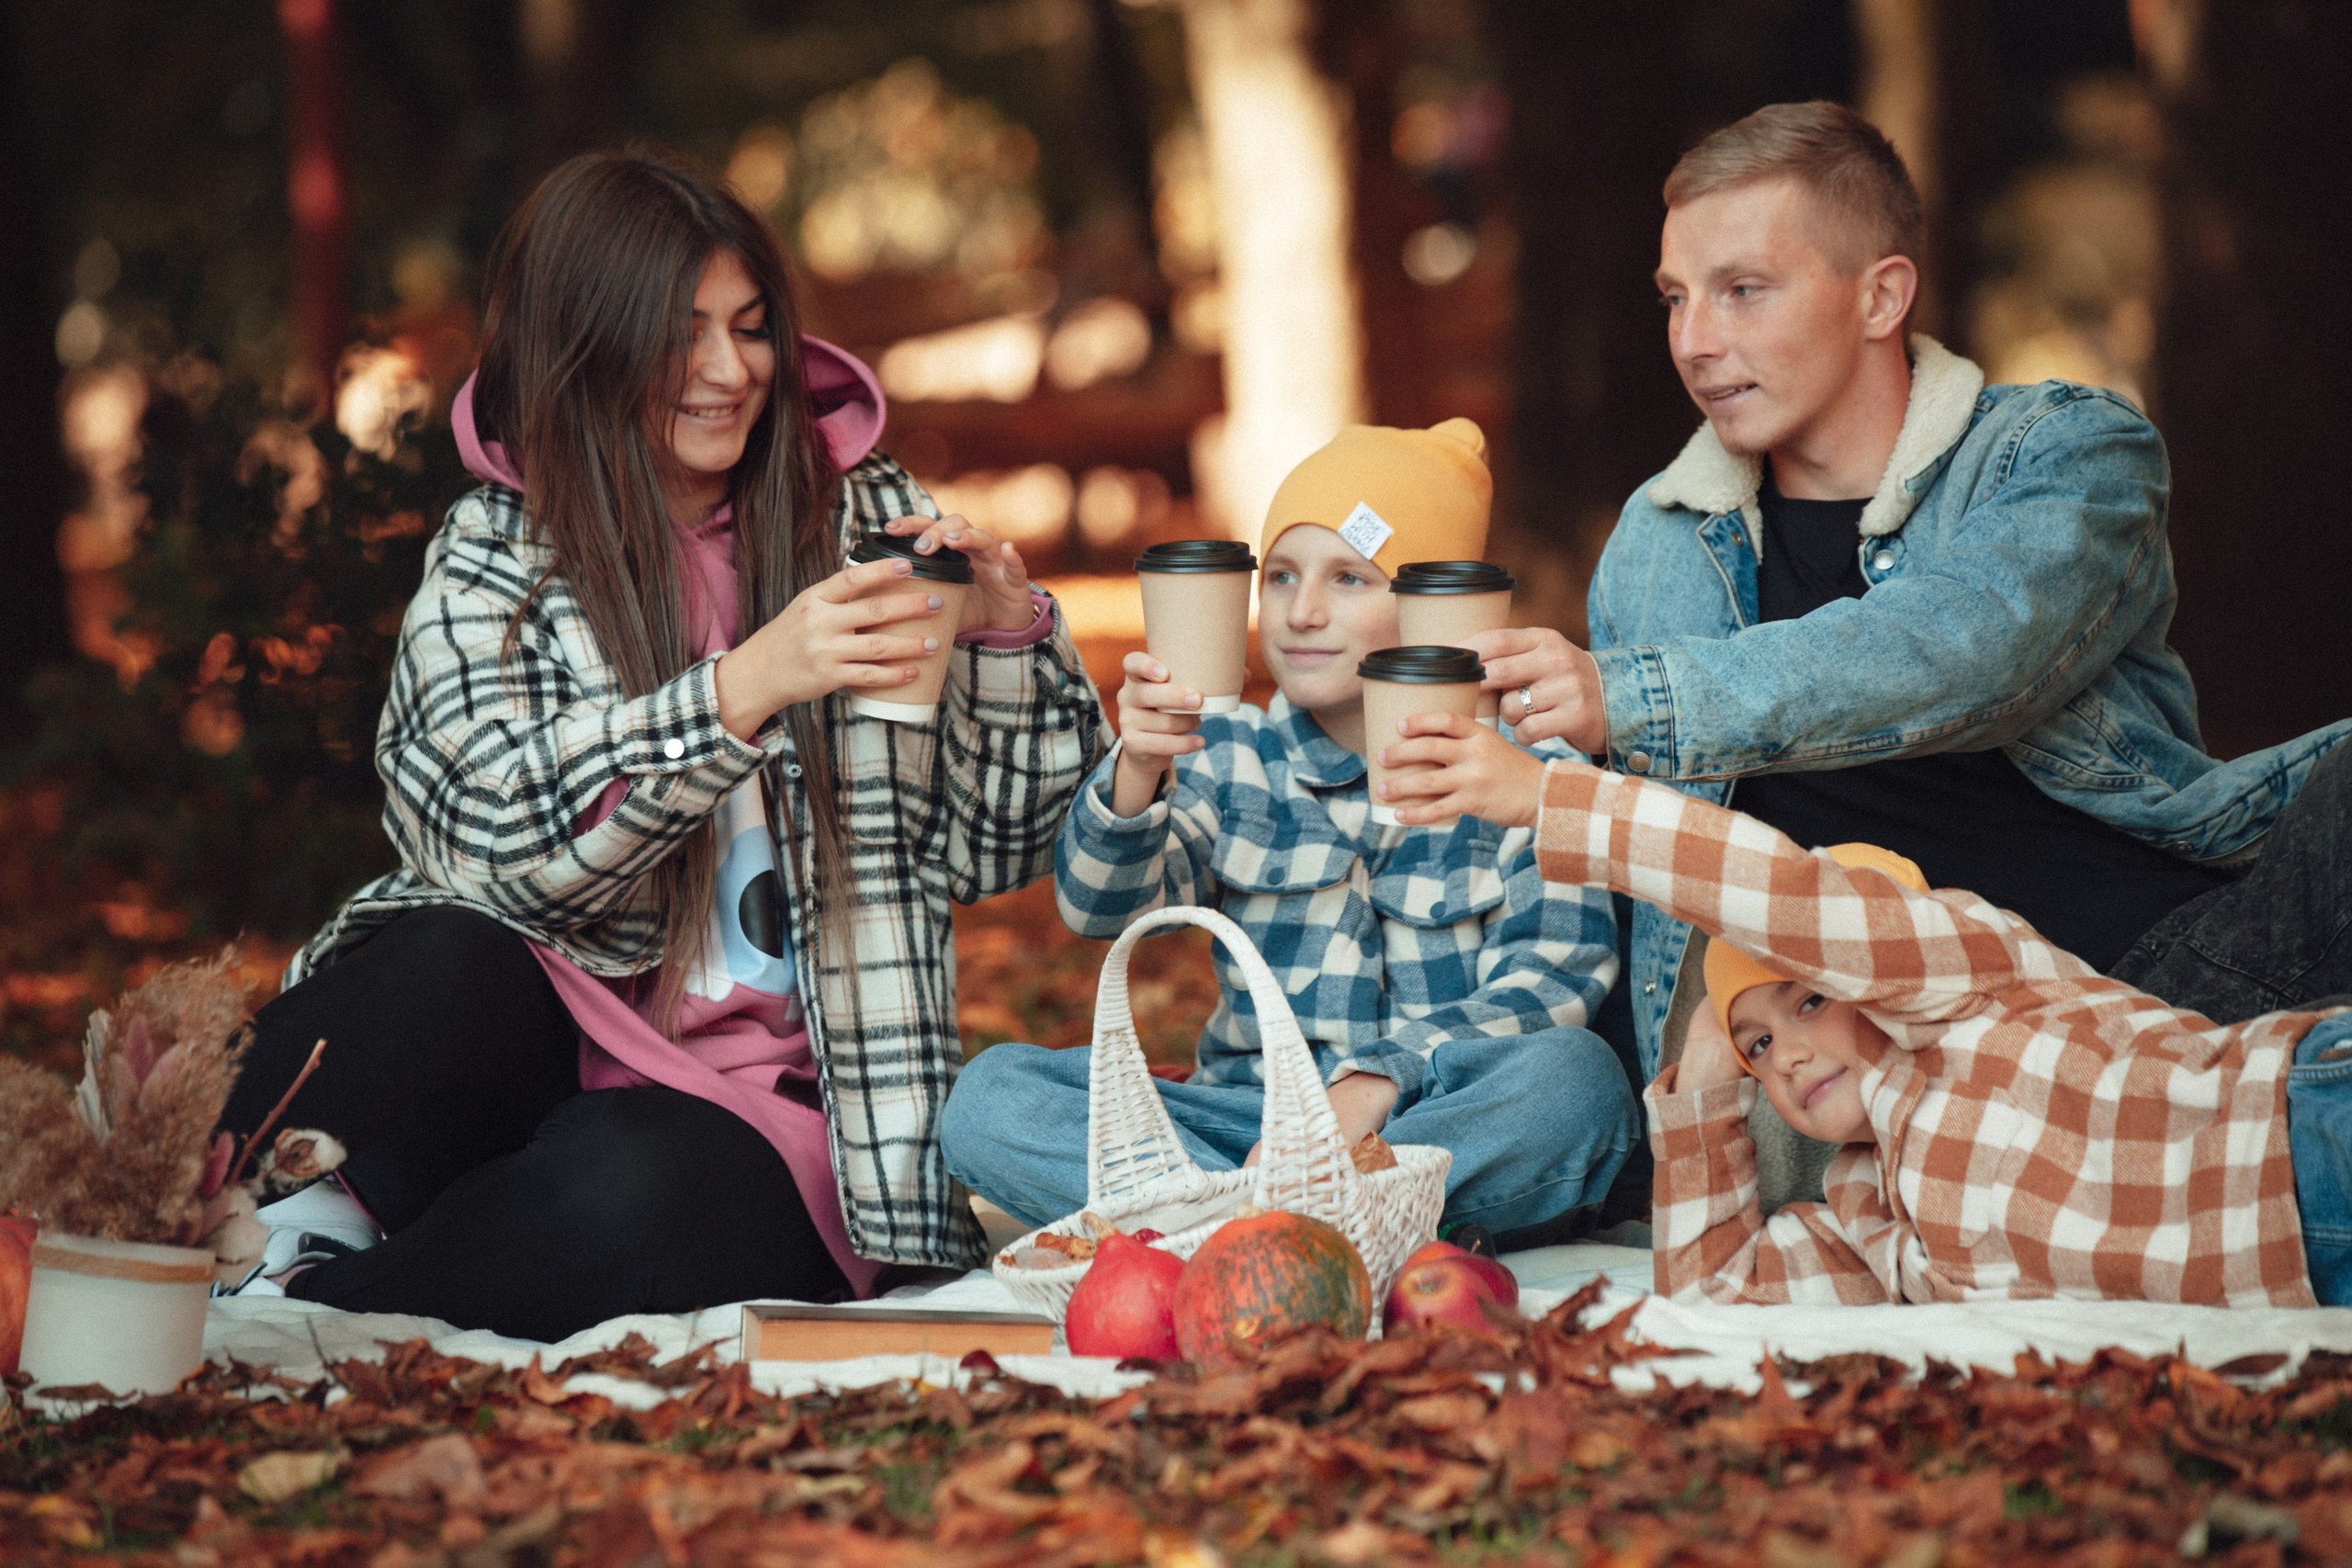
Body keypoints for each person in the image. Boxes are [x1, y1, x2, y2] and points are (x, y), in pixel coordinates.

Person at [209, 148, 1108, 1341]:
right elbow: (489, 833)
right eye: (684, 335)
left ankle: (311, 1293)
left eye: (749, 328)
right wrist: (747, 685)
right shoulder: (503, 543)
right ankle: (116, 1215)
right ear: (589, 339)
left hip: (768, 1106)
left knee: (626, 1185)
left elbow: (1004, 844)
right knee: (430, 966)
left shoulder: (860, 520)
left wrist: (1011, 639)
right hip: (543, 1033)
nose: (731, 371)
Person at [1470, 101, 2351, 1092]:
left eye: (1742, 291)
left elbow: (1964, 648)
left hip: (2165, 977)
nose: (1692, 341)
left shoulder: (2066, 449)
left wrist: (1631, 698)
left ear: (1880, 297)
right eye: (1676, 298)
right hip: (1869, 1068)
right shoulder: (1658, 539)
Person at [1369, 717, 2352, 1307]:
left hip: (2301, 1123)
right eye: (1762, 1045)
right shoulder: (1864, 1209)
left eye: (1809, 999)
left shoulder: (1966, 979)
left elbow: (1790, 899)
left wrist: (1551, 797)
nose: (1786, 1054)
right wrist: (1711, 1073)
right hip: (2307, 1272)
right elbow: (1711, 1293)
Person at [940, 421, 1638, 1245]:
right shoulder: (1231, 752)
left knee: (1577, 1083)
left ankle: (1220, 1227)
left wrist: (1377, 1082)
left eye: (1349, 577)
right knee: (992, 1096)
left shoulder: (1527, 771)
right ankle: (1279, 1222)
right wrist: (1138, 766)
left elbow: (1552, 982)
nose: (1302, 612)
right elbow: (1098, 907)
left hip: (1423, 1126)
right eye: (1279, 577)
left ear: (1432, 605)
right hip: (1242, 1124)